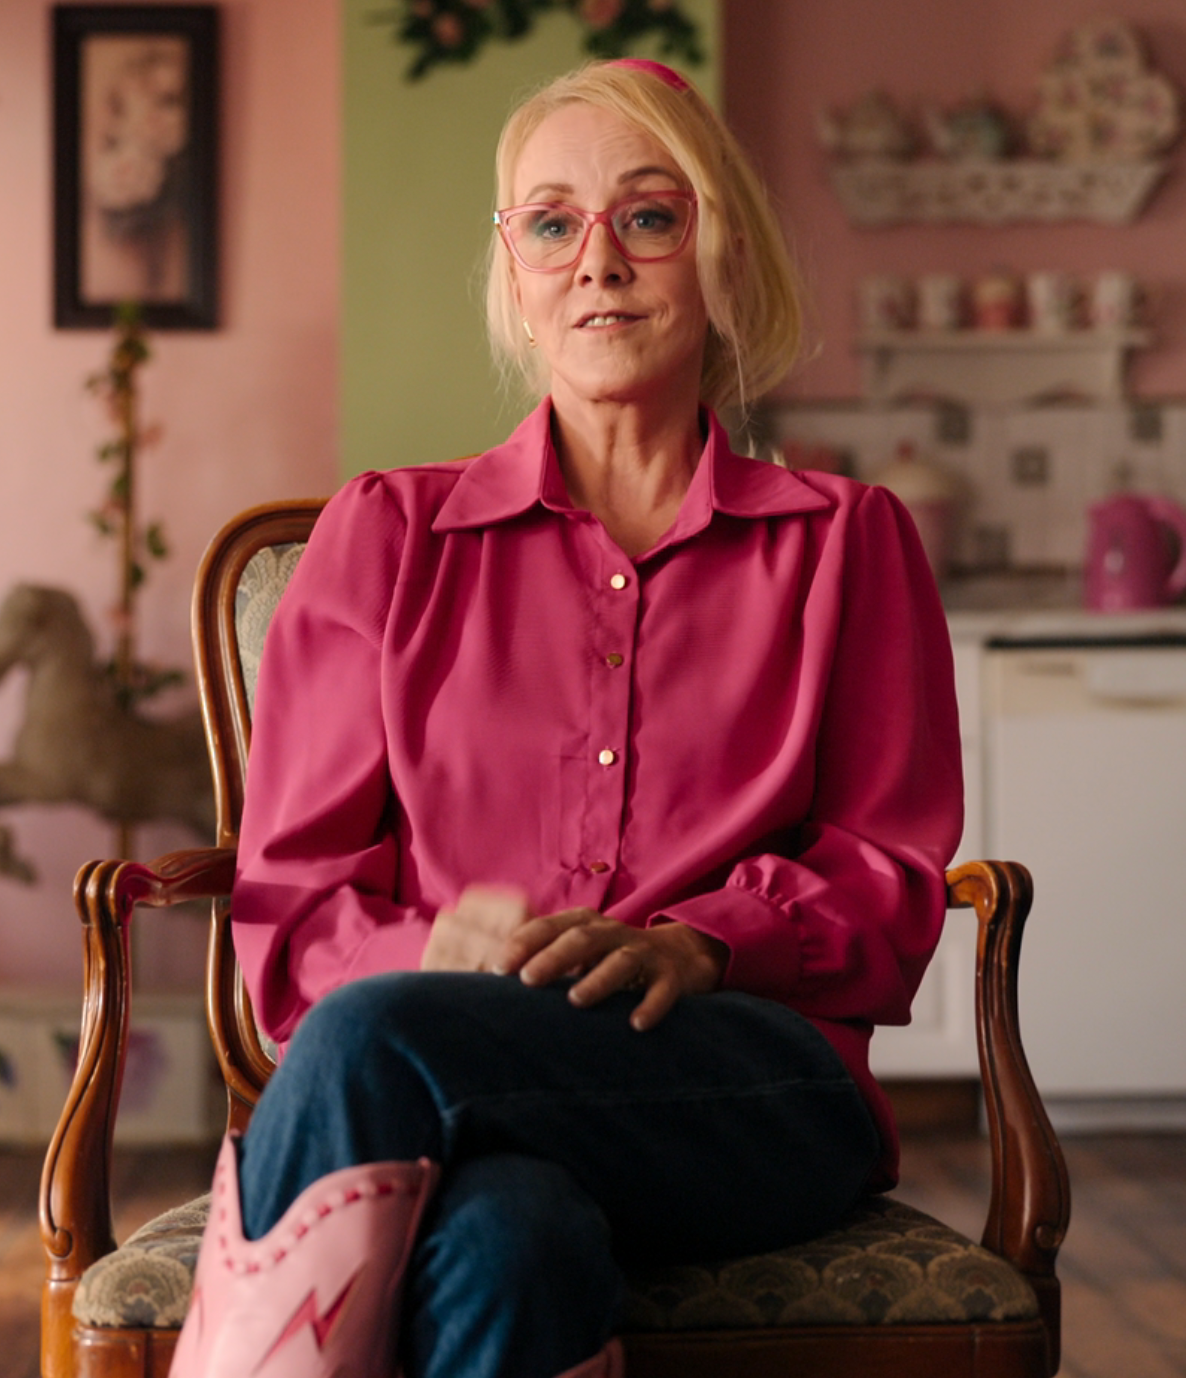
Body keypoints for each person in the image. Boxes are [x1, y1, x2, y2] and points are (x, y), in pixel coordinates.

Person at [176, 58, 961, 1378]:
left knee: (372, 1033)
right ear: (516, 271)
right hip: (448, 1077)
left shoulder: (847, 542)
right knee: (510, 1238)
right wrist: (437, 953)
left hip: (744, 1086)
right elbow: (292, 915)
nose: (598, 261)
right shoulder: (387, 536)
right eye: (552, 224)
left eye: (649, 217)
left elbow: (890, 881)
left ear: (722, 251)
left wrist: (703, 943)